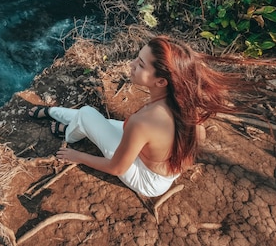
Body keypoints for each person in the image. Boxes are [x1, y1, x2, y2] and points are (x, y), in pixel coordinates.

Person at [28, 35, 245, 197]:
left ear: (161, 82)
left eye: (140, 64)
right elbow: (196, 139)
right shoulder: (184, 105)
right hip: (163, 170)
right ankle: (54, 113)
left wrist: (78, 157)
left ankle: (68, 132)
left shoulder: (144, 122)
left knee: (86, 114)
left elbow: (117, 168)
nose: (131, 65)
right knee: (97, 121)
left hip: (148, 180)